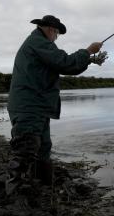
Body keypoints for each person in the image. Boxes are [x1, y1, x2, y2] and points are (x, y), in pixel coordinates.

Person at [6, 15, 107, 193]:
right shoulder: (38, 42)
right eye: (57, 33)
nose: (56, 37)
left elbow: (66, 66)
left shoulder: (39, 43)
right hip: (29, 106)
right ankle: (14, 193)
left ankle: (44, 187)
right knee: (25, 148)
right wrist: (88, 51)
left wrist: (89, 60)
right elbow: (65, 63)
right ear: (51, 29)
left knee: (43, 148)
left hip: (38, 106)